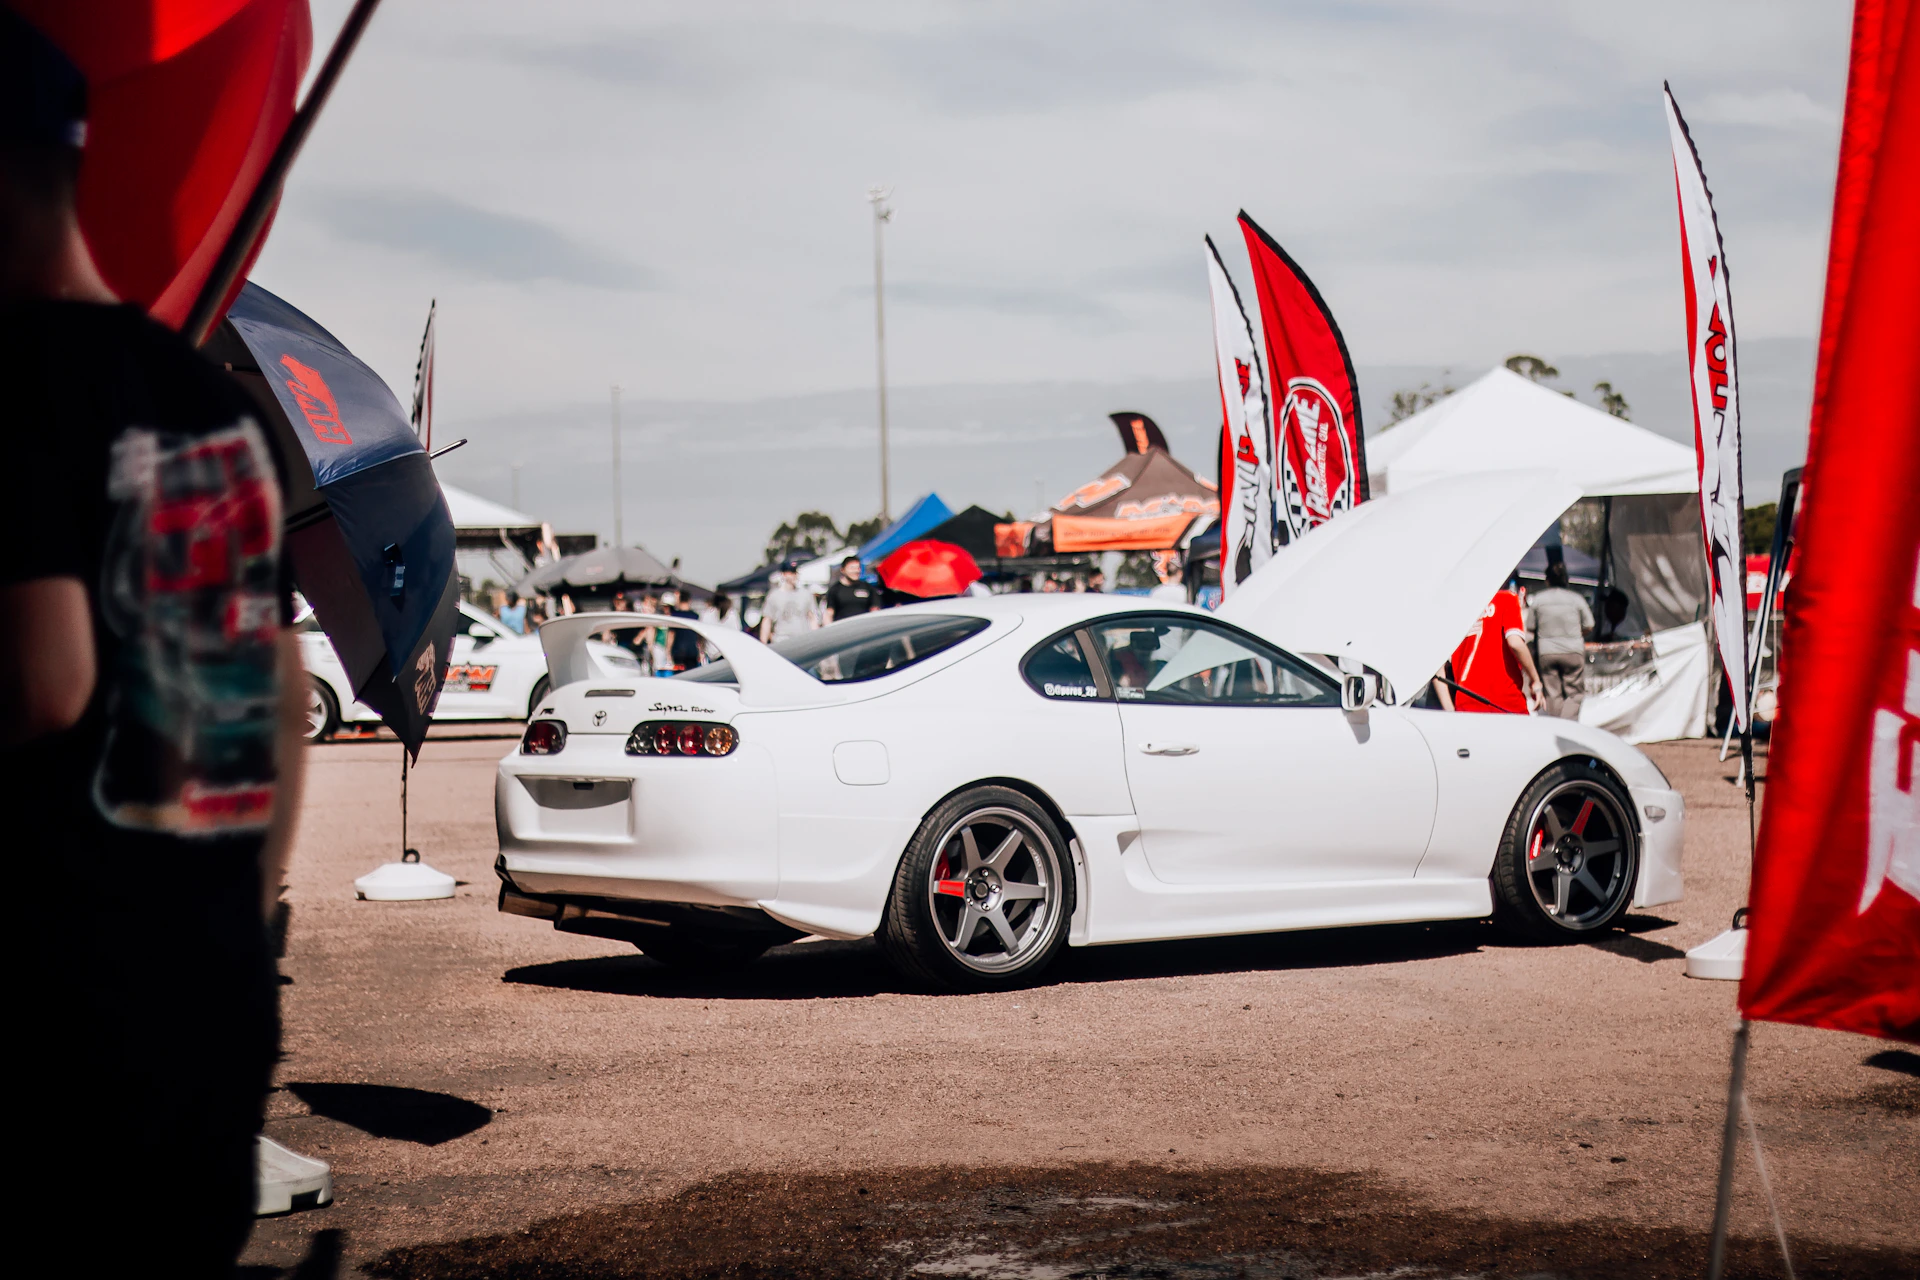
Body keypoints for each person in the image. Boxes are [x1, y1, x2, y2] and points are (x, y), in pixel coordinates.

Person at [1, 16, 301, 1269]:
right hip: (210, 1004)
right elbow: (276, 698)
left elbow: (40, 678)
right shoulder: (210, 407)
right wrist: (246, 909)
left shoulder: (14, 385)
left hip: (53, 1026)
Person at [1447, 581, 1542, 714]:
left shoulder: (1459, 609)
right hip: (1504, 702)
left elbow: (1437, 665)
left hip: (1465, 702)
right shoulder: (1506, 598)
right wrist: (1535, 680)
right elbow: (1515, 643)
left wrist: (1449, 708)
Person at [1525, 560, 1594, 719]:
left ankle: (1556, 727)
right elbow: (1589, 625)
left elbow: (1530, 626)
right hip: (1573, 651)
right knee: (1574, 694)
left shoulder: (1539, 600)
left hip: (1547, 653)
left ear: (1547, 579)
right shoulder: (1576, 599)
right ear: (1566, 579)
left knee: (1552, 694)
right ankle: (1568, 726)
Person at [760, 568, 812, 643]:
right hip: (782, 640)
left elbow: (812, 618)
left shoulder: (806, 594)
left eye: (795, 572)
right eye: (791, 573)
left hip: (803, 640)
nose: (794, 575)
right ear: (784, 574)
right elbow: (767, 619)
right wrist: (763, 643)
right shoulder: (774, 595)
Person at [824, 555, 878, 622]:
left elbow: (875, 609)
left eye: (858, 568)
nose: (856, 571)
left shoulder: (868, 587)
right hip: (843, 628)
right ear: (843, 570)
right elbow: (829, 612)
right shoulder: (835, 590)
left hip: (864, 627)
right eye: (852, 568)